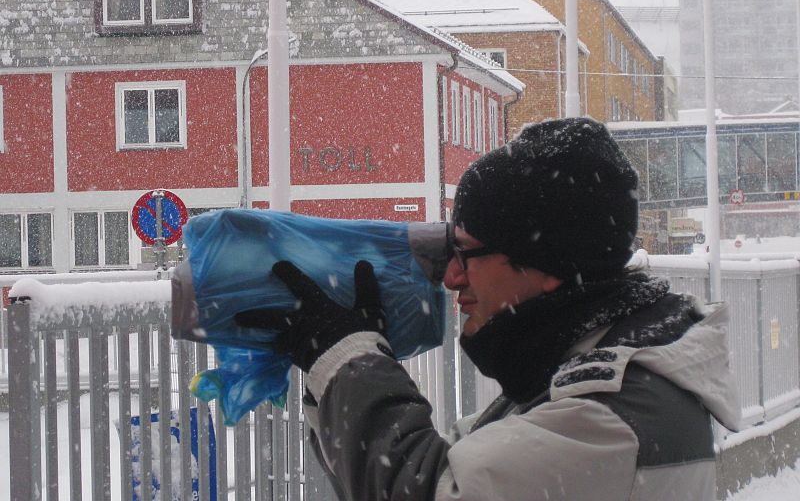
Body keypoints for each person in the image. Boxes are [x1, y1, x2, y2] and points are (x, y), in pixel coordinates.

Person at [236, 117, 741, 501]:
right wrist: (337, 361)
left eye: (467, 253)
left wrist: (348, 359)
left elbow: (427, 485)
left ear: (547, 264)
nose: (452, 276)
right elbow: (423, 466)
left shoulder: (608, 416)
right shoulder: (584, 381)